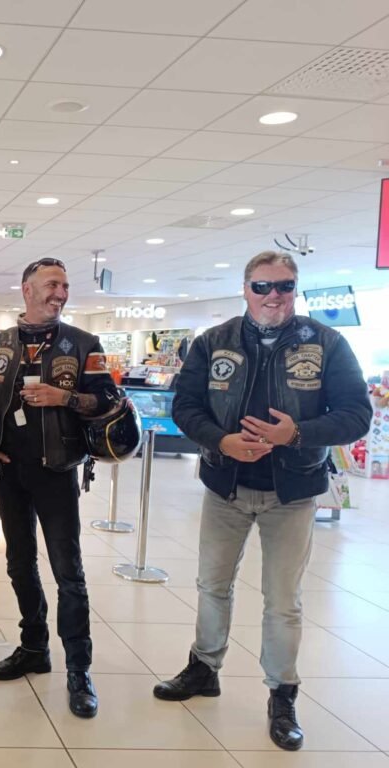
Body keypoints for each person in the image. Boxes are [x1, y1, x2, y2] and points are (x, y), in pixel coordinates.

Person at [155, 250, 372, 751]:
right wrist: (221, 440)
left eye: (284, 286)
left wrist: (296, 433)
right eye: (262, 286)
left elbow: (356, 414)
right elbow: (185, 405)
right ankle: (203, 667)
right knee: (212, 585)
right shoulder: (214, 342)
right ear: (245, 289)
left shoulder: (327, 344)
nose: (273, 295)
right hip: (225, 485)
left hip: (292, 491)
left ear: (295, 288)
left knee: (282, 600)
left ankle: (282, 694)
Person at [0, 257, 118, 719]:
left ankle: (79, 669)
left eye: (65, 285)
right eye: (52, 284)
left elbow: (108, 400)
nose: (60, 293)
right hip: (9, 473)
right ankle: (34, 647)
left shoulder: (84, 344)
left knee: (68, 573)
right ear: (27, 290)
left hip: (57, 472)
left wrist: (65, 398)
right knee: (19, 564)